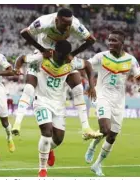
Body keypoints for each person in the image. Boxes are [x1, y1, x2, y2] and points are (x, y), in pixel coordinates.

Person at [14, 40, 101, 177]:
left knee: (58, 139)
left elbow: (88, 65)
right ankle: (42, 169)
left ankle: (48, 150)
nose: (64, 60)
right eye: (61, 57)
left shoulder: (70, 61)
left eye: (66, 57)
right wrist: (17, 68)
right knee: (47, 132)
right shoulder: (41, 58)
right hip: (41, 101)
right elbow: (21, 58)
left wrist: (91, 85)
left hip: (59, 104)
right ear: (54, 52)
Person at [12, 8, 96, 137]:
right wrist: (42, 49)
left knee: (78, 87)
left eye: (69, 24)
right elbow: (24, 33)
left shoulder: (75, 24)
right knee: (29, 88)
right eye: (64, 24)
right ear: (57, 20)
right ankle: (17, 124)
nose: (67, 27)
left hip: (62, 56)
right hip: (43, 56)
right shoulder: (44, 22)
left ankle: (86, 128)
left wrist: (73, 54)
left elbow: (91, 40)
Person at [84, 30, 140, 176]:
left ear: (122, 43)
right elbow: (87, 64)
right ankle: (93, 146)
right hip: (103, 97)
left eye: (114, 41)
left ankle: (97, 165)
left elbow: (139, 75)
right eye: (109, 40)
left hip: (119, 101)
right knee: (105, 129)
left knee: (112, 136)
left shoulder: (130, 60)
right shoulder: (101, 56)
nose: (110, 43)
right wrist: (91, 85)